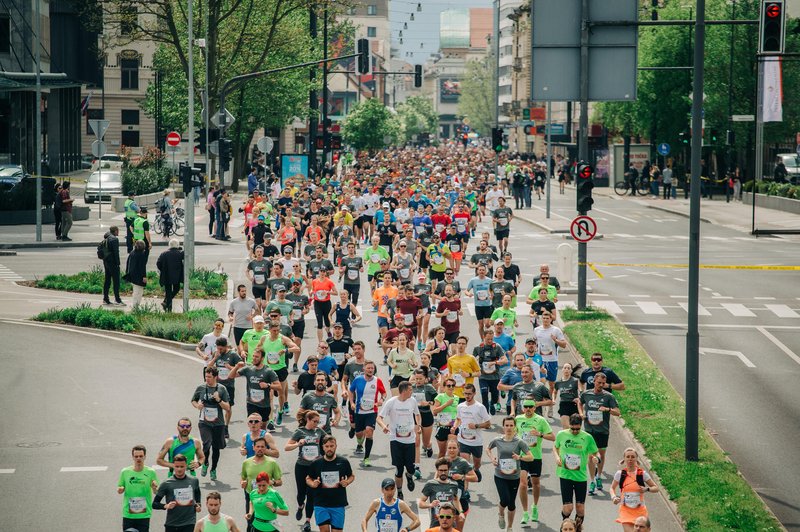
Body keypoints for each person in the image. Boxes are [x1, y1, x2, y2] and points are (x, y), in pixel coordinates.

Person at [554, 413, 601, 532]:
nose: (575, 431)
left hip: (580, 477)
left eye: (577, 429)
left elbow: (596, 452)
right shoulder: (561, 434)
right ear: (569, 425)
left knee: (580, 509)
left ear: (581, 426)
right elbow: (555, 447)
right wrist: (557, 457)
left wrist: (597, 458)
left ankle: (577, 529)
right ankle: (565, 528)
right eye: (572, 428)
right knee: (568, 508)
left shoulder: (587, 437)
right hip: (565, 475)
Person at [486, 416, 534, 532]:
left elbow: (531, 457)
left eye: (511, 425)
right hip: (500, 475)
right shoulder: (497, 440)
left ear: (514, 427)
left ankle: (510, 527)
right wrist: (492, 458)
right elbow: (487, 448)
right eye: (506, 425)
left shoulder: (519, 442)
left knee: (511, 504)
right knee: (505, 500)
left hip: (514, 476)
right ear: (503, 427)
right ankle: (501, 514)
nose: (508, 428)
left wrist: (520, 457)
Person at [377, 381, 422, 500]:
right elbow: (379, 418)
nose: (412, 392)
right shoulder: (392, 402)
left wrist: (419, 425)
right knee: (399, 469)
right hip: (395, 440)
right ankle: (400, 491)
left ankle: (409, 475)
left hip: (409, 440)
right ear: (404, 390)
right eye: (410, 390)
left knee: (411, 468)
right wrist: (384, 426)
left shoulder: (412, 401)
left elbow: (417, 414)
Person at [579, 372, 621, 495]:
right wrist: (582, 414)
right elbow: (580, 402)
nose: (601, 385)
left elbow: (618, 412)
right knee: (591, 456)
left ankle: (598, 476)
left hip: (603, 430)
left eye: (603, 383)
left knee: (601, 455)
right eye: (599, 383)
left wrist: (607, 409)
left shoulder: (608, 397)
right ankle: (591, 480)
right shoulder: (586, 394)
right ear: (594, 382)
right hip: (589, 430)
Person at [515, 399, 555, 524]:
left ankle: (535, 507)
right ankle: (525, 512)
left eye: (530, 407)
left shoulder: (541, 420)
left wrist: (540, 434)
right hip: (522, 456)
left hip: (535, 456)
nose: (528, 409)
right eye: (526, 406)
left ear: (534, 408)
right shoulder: (518, 419)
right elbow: (511, 432)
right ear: (523, 408)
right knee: (523, 484)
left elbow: (553, 437)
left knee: (536, 483)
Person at [286, 410, 326, 532]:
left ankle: (307, 521)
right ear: (308, 420)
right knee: (301, 493)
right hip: (302, 466)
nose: (316, 424)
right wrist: (298, 444)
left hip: (314, 467)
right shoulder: (300, 431)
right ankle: (300, 506)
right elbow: (287, 447)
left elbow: (329, 440)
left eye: (318, 422)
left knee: (312, 494)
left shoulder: (319, 431)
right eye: (314, 421)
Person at [306, 435, 356, 532]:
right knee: (324, 530)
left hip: (338, 503)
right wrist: (313, 484)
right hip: (321, 503)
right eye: (327, 446)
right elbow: (308, 478)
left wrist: (347, 482)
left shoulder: (343, 462)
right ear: (323, 447)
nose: (329, 449)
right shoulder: (316, 463)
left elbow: (351, 476)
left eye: (332, 446)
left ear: (336, 446)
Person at [191, 366, 231, 481]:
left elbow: (228, 408)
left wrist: (218, 400)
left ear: (215, 377)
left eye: (209, 377)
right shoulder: (201, 388)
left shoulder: (222, 389)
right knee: (207, 443)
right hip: (204, 422)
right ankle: (205, 463)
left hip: (218, 423)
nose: (207, 379)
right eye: (206, 376)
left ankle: (213, 469)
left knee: (216, 448)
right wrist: (197, 406)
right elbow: (193, 400)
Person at [349, 359, 387, 467]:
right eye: (369, 368)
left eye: (372, 368)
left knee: (369, 432)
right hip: (359, 411)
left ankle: (366, 458)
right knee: (359, 434)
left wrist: (381, 400)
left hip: (372, 411)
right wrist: (352, 402)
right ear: (364, 369)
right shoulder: (358, 379)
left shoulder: (377, 380)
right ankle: (360, 443)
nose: (371, 370)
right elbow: (351, 391)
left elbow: (384, 393)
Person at [610, 448, 659, 531]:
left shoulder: (642, 474)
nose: (630, 459)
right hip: (625, 510)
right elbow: (612, 488)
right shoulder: (620, 474)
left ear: (636, 459)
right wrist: (614, 497)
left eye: (633, 457)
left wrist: (647, 489)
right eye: (628, 457)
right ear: (624, 459)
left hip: (640, 511)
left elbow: (656, 488)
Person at [453, 383, 491, 490]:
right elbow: (458, 419)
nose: (467, 396)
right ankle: (465, 490)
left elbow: (488, 424)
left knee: (476, 464)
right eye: (465, 394)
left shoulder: (480, 407)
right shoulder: (460, 406)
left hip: (476, 442)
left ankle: (476, 470)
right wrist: (454, 426)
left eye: (469, 394)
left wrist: (476, 425)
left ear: (474, 393)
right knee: (465, 466)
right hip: (463, 440)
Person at [152, 454, 202, 532]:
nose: (179, 469)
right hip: (172, 524)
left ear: (186, 466)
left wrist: (198, 504)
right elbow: (155, 504)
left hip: (189, 523)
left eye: (182, 467)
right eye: (177, 466)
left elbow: (197, 492)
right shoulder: (166, 483)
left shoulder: (194, 481)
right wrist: (166, 506)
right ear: (173, 466)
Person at [118, 444, 159, 532]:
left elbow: (156, 492)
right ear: (132, 457)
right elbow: (120, 488)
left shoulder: (151, 472)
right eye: (136, 456)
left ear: (145, 457)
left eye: (141, 456)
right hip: (128, 514)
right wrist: (120, 489)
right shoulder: (125, 472)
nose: (138, 458)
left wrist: (154, 488)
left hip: (144, 514)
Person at [418, 458, 463, 529]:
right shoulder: (431, 484)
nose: (443, 473)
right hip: (436, 523)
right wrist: (430, 505)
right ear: (437, 471)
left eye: (445, 470)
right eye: (441, 470)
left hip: (450, 523)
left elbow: (455, 500)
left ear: (448, 470)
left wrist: (461, 512)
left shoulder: (454, 485)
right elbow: (421, 503)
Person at [157, 239, 184, 312]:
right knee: (176, 289)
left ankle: (168, 306)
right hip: (177, 276)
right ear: (177, 245)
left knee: (168, 291)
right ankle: (166, 303)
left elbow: (158, 263)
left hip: (166, 275)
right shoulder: (180, 253)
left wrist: (163, 269)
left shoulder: (164, 254)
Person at [102, 226, 124, 305]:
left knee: (107, 280)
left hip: (106, 261)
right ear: (115, 231)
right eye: (118, 231)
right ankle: (117, 299)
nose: (118, 232)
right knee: (116, 281)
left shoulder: (106, 237)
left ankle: (105, 298)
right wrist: (118, 263)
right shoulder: (114, 239)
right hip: (113, 263)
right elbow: (116, 252)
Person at [555, 362, 582, 429]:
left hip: (574, 404)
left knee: (575, 427)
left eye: (568, 368)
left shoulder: (576, 381)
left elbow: (581, 391)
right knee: (566, 428)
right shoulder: (558, 382)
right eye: (565, 368)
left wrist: (579, 399)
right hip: (564, 404)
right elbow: (554, 392)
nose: (566, 369)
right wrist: (553, 400)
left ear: (571, 370)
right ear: (562, 370)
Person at [125, 239, 148, 307]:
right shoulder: (141, 255)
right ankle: (136, 306)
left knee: (135, 291)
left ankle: (135, 305)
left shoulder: (132, 252)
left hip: (132, 275)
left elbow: (127, 263)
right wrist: (144, 276)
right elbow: (142, 267)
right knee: (139, 292)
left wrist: (127, 273)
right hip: (138, 276)